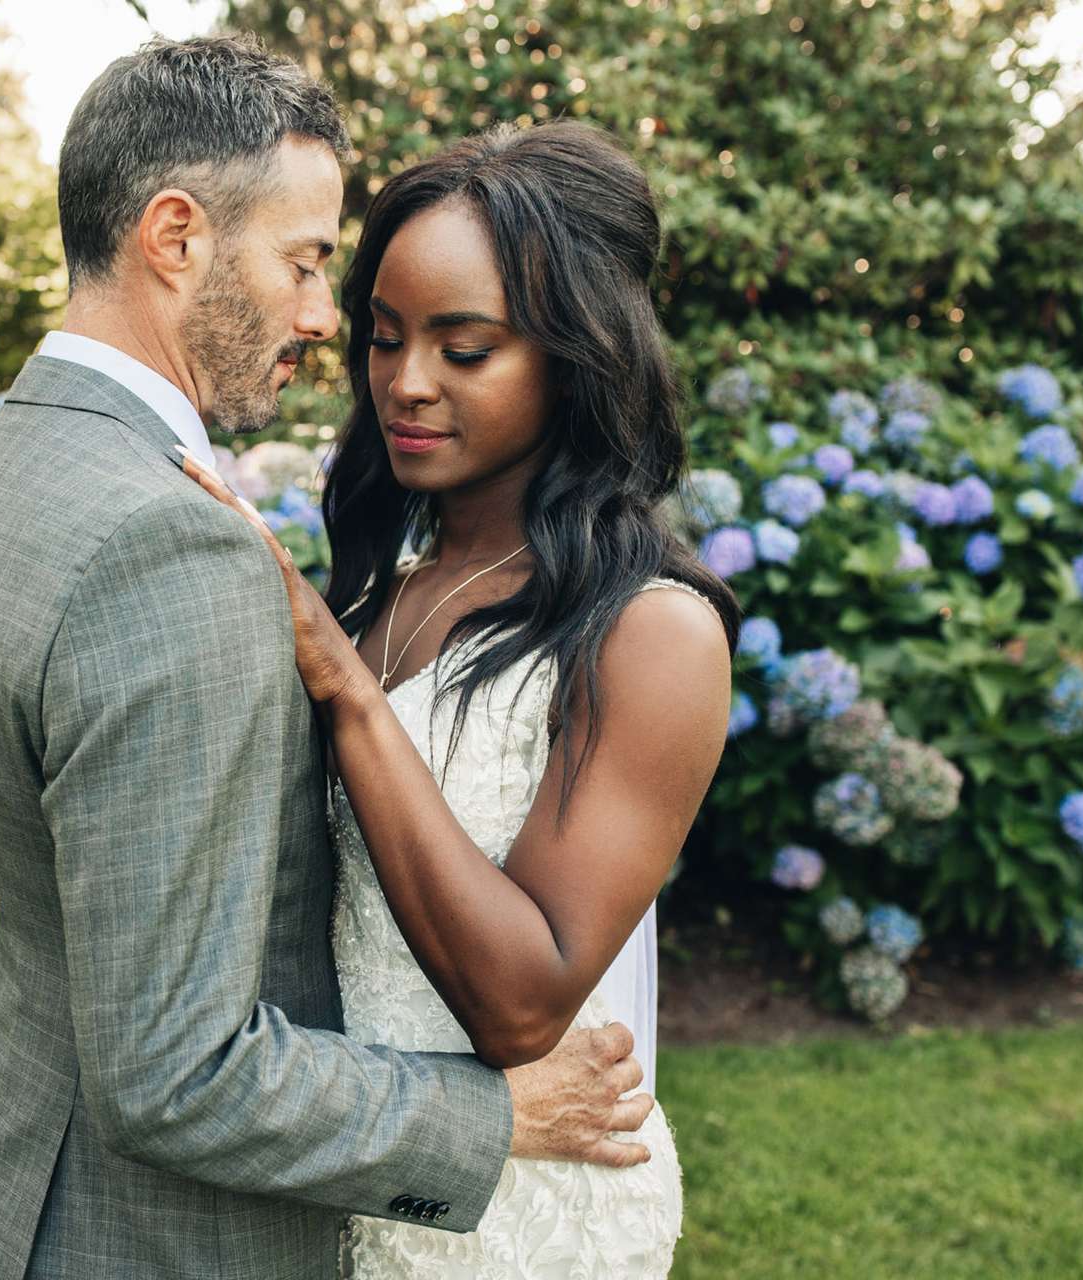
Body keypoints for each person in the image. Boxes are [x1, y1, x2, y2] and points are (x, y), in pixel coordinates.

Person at [0, 37, 653, 1280]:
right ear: (178, 236)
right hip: (141, 1233)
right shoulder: (167, 545)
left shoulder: (10, 468)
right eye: (307, 263)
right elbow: (177, 1072)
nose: (324, 315)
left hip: (7, 1180)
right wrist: (503, 1116)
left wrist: (42, 874)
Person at [164, 119, 738, 1275]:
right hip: (350, 1170)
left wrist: (339, 681)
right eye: (384, 338)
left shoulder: (650, 632)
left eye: (463, 348)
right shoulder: (384, 583)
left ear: (578, 355)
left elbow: (522, 1004)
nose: (405, 384)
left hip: (519, 1215)